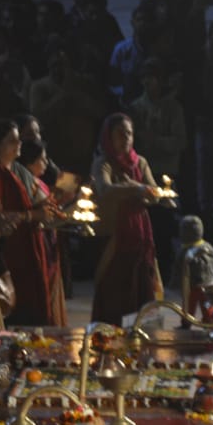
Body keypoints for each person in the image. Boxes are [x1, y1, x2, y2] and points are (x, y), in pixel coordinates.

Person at [0, 119, 63, 326]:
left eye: (18, 140)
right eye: (12, 141)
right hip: (13, 250)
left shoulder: (14, 171)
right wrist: (32, 216)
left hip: (28, 243)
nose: (18, 144)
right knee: (22, 306)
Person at [90, 113, 164, 325]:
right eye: (120, 134)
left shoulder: (140, 162)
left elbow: (154, 193)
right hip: (114, 236)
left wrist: (151, 194)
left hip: (140, 234)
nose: (126, 139)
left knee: (141, 288)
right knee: (115, 290)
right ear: (109, 137)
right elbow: (105, 190)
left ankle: (139, 337)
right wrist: (135, 189)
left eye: (129, 134)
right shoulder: (103, 163)